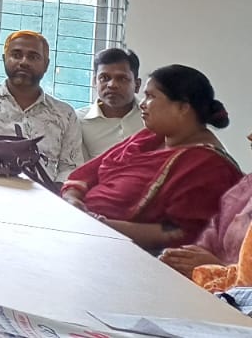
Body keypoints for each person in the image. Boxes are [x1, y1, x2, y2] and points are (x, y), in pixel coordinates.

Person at [62, 65, 241, 251]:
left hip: (128, 253)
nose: (142, 103)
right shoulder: (150, 137)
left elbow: (181, 234)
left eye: (151, 97)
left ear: (183, 107)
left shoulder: (209, 166)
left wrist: (99, 225)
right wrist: (72, 201)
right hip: (81, 228)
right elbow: (84, 175)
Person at [0, 30, 84, 181]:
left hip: (42, 198)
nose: (24, 62)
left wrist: (53, 197)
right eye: (16, 55)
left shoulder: (65, 114)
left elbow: (70, 168)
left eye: (33, 57)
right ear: (4, 59)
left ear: (46, 65)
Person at [161, 129, 252, 290]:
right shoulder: (246, 186)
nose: (249, 137)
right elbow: (213, 234)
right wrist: (183, 259)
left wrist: (216, 267)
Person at [78, 47, 146, 159]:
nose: (112, 85)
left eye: (122, 78)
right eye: (104, 78)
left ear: (137, 85)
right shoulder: (78, 122)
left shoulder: (152, 119)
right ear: (95, 82)